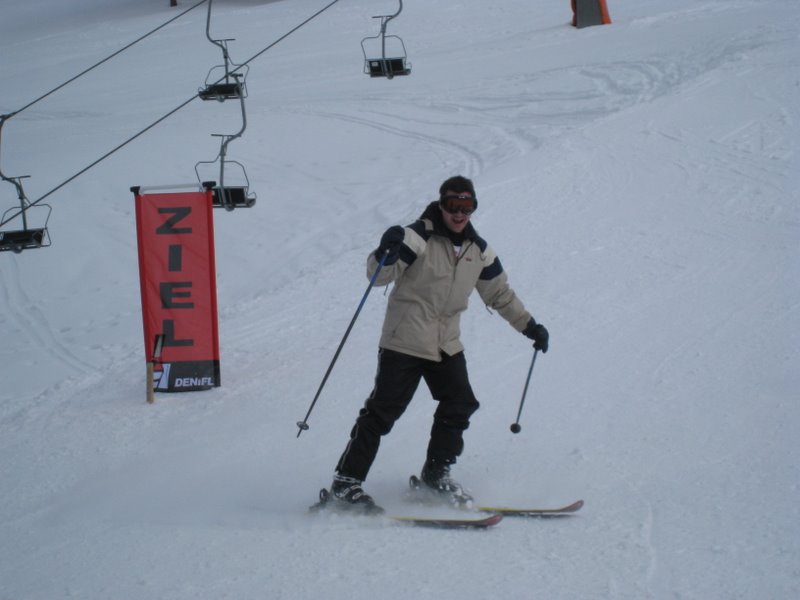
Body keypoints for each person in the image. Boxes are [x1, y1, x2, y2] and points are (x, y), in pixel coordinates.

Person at [327, 175, 549, 513]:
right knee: (382, 413)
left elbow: (500, 294)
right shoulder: (416, 237)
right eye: (452, 205)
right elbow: (378, 276)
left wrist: (530, 327)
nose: (459, 213)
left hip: (446, 344)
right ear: (441, 204)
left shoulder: (479, 250)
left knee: (460, 404)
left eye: (466, 206)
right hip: (405, 340)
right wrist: (384, 252)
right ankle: (346, 483)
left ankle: (435, 476)